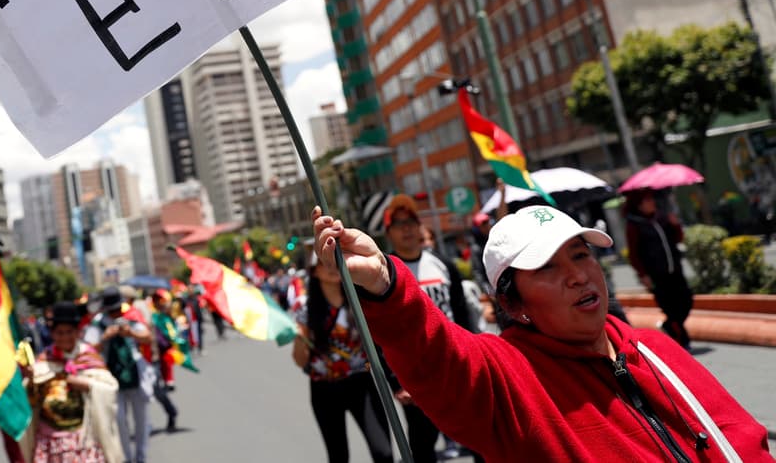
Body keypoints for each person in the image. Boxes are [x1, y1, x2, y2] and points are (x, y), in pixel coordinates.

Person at [312, 203, 773, 461]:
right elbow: (440, 354)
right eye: (547, 267)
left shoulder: (653, 347)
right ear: (514, 303)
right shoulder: (508, 376)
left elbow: (743, 440)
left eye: (580, 254)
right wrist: (385, 285)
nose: (578, 275)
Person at [381, 195, 479, 463]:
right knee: (423, 448)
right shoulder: (385, 273)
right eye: (399, 223)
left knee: (480, 440)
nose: (407, 228)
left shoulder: (443, 265)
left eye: (411, 222)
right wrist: (394, 382)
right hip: (414, 379)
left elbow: (463, 317)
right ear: (389, 232)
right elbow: (380, 332)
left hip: (454, 369)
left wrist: (473, 359)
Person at [290, 252, 393, 463]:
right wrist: (300, 338)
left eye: (334, 261)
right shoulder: (306, 310)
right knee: (338, 456)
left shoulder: (359, 300)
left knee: (384, 453)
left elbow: (380, 344)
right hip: (325, 391)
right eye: (322, 262)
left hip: (361, 386)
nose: (331, 266)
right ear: (314, 271)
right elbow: (300, 361)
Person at [28, 301, 121, 462]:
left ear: (78, 332)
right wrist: (31, 381)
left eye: (69, 332)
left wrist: (85, 384)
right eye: (59, 332)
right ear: (52, 334)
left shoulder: (88, 357)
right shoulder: (43, 362)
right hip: (50, 442)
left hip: (84, 438)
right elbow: (32, 401)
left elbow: (109, 388)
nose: (64, 337)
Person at [85, 287, 152, 463]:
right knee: (119, 421)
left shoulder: (130, 317)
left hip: (135, 374)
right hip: (111, 377)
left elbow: (147, 337)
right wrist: (104, 338)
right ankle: (126, 458)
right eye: (112, 310)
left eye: (117, 309)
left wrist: (131, 333)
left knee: (141, 420)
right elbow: (88, 350)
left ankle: (141, 457)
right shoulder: (98, 324)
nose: (115, 313)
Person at [625, 189, 694, 349]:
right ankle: (683, 340)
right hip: (657, 274)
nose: (651, 203)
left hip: (674, 270)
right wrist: (643, 275)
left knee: (686, 301)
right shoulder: (634, 224)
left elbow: (677, 238)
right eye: (647, 200)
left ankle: (670, 326)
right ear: (639, 205)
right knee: (670, 307)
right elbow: (633, 254)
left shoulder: (662, 218)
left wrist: (675, 225)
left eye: (651, 199)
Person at [148, 292, 182, 433]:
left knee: (156, 389)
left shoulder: (161, 316)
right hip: (145, 358)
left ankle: (171, 411)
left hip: (157, 355)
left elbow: (170, 333)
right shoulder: (149, 315)